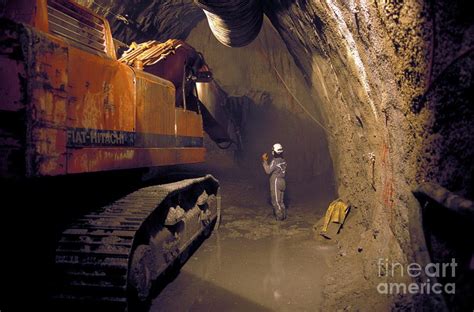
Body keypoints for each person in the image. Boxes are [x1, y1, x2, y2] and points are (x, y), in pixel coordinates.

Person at [262, 143, 287, 220]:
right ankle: (284, 215)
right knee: (281, 201)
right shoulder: (283, 161)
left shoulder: (274, 161)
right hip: (283, 181)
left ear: (274, 151)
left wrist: (264, 161)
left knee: (276, 201)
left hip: (276, 182)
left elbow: (268, 171)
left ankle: (280, 217)